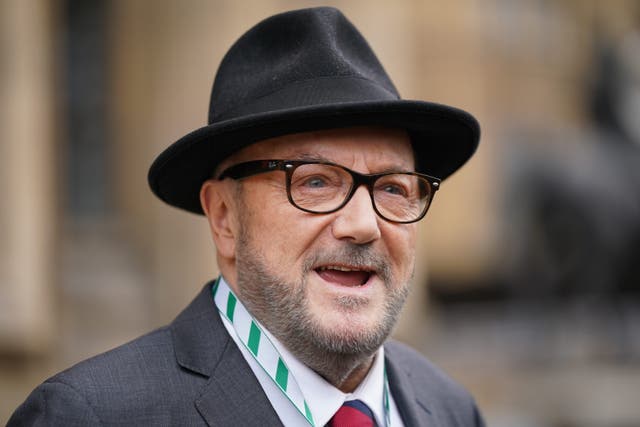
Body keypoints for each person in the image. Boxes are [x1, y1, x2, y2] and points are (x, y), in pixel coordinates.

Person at [9, 7, 483, 426]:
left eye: (393, 188)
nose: (362, 224)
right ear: (223, 218)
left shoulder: (449, 408)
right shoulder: (93, 416)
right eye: (315, 182)